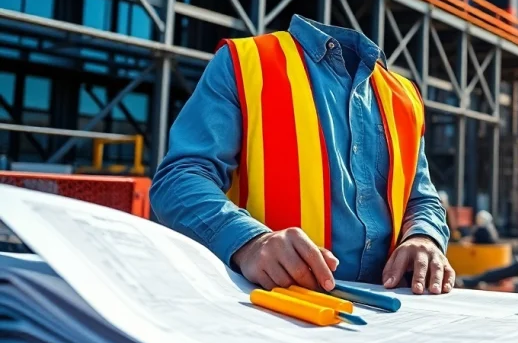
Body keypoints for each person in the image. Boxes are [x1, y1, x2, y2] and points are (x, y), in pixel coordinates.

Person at [150, 15, 454, 296]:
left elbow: (420, 198)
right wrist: (250, 241)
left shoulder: (402, 95)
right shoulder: (246, 63)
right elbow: (178, 179)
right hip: (272, 306)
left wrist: (424, 237)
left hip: (389, 315)